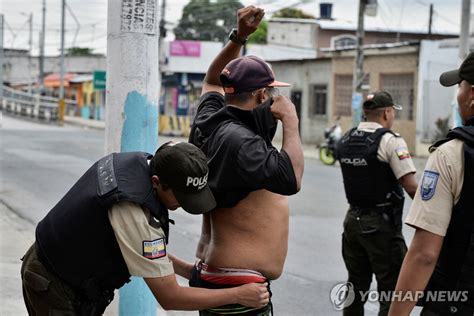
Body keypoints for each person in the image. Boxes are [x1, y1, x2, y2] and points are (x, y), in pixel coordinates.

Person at [20, 141, 269, 315]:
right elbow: (170, 297)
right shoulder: (133, 211)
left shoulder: (143, 162)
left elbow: (143, 251)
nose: (182, 206)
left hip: (64, 267)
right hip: (53, 282)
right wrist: (238, 296)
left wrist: (192, 273)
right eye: (180, 198)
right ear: (156, 182)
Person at [169, 5, 304, 316]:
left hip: (217, 274)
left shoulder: (209, 122)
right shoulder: (242, 142)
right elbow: (291, 179)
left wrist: (239, 37)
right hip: (239, 289)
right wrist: (291, 122)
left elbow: (212, 81)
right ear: (259, 95)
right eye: (271, 94)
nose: (275, 101)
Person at [388, 53, 474, 316]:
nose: (457, 96)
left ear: (472, 96)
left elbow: (424, 254)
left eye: (460, 86)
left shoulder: (452, 155)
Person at [336, 91, 418, 315]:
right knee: (390, 290)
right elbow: (411, 186)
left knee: (356, 285)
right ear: (387, 113)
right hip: (381, 226)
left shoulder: (346, 138)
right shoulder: (390, 141)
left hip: (352, 222)